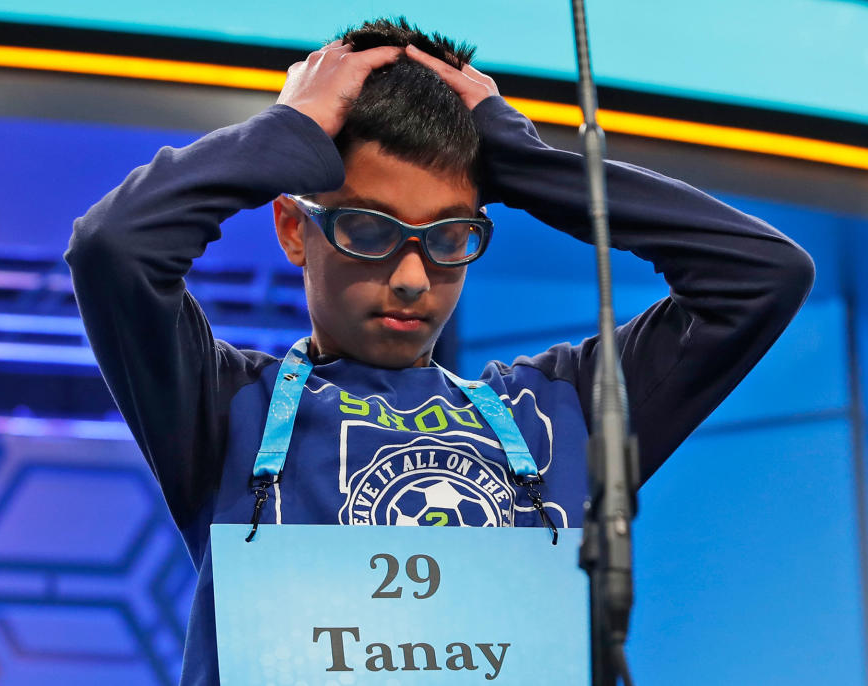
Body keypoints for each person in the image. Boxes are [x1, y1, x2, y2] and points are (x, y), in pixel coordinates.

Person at [64, 17, 814, 685]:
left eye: (450, 238)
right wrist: (289, 129)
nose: (413, 277)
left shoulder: (559, 407)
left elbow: (758, 275)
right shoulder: (225, 408)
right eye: (368, 229)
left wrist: (514, 159)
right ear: (294, 230)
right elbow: (115, 247)